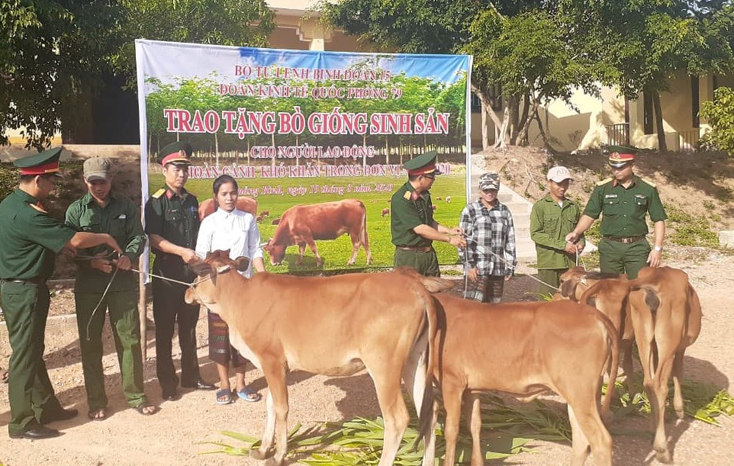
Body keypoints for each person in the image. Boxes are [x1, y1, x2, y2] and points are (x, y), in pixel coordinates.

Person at [0, 148, 122, 439]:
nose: (54, 187)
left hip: (25, 288)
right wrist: (106, 237)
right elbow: (76, 240)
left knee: (33, 351)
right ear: (39, 179)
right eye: (51, 181)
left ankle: (46, 406)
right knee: (24, 357)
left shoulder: (11, 204)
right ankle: (22, 422)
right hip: (24, 290)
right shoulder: (28, 215)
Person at [65, 157, 157, 420]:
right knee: (91, 343)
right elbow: (68, 247)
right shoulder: (76, 211)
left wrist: (129, 255)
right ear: (85, 181)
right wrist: (90, 262)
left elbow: (138, 236)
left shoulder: (126, 206)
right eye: (93, 182)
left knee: (129, 340)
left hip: (121, 283)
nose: (98, 187)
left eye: (102, 181)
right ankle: (96, 401)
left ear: (111, 180)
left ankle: (136, 396)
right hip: (89, 286)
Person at [144, 141, 215, 401]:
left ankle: (191, 375)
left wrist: (198, 259)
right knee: (164, 330)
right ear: (164, 169)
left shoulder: (191, 201)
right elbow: (154, 238)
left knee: (189, 326)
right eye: (176, 168)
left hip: (189, 275)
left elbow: (197, 237)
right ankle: (167, 382)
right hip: (166, 274)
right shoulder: (156, 202)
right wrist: (181, 252)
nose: (182, 173)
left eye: (185, 169)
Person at [195, 175, 265, 405]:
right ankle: (224, 385)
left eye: (233, 193)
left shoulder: (247, 219)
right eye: (224, 194)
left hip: (244, 287)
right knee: (220, 337)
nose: (229, 198)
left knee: (243, 336)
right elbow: (202, 254)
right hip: (220, 290)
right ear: (216, 196)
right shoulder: (209, 222)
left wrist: (262, 277)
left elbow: (255, 249)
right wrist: (208, 278)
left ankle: (241, 383)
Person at [566, 145, 667, 279]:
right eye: (613, 167)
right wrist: (576, 232)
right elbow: (590, 214)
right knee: (610, 289)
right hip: (610, 248)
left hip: (636, 248)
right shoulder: (603, 189)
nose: (616, 171)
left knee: (639, 288)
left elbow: (658, 219)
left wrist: (657, 249)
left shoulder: (647, 189)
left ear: (632, 164)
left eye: (621, 167)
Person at [390, 150, 466, 276]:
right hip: (409, 258)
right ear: (420, 178)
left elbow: (428, 222)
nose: (434, 180)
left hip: (428, 256)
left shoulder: (424, 195)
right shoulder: (401, 199)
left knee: (435, 294)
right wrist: (449, 239)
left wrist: (449, 230)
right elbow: (419, 228)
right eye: (432, 177)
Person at [459, 172, 517, 303]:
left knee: (494, 311)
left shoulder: (504, 211)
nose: (489, 193)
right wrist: (469, 265)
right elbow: (463, 240)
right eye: (486, 189)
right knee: (472, 309)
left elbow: (510, 240)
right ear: (480, 190)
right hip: (477, 269)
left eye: (492, 189)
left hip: (497, 269)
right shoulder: (470, 210)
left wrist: (511, 264)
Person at [530, 166, 585, 298]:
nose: (562, 187)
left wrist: (581, 243)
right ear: (549, 182)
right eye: (558, 183)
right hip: (550, 263)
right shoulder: (540, 207)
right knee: (547, 301)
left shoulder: (573, 207)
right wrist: (562, 245)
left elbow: (579, 231)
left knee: (570, 299)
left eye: (566, 183)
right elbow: (536, 234)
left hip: (570, 263)